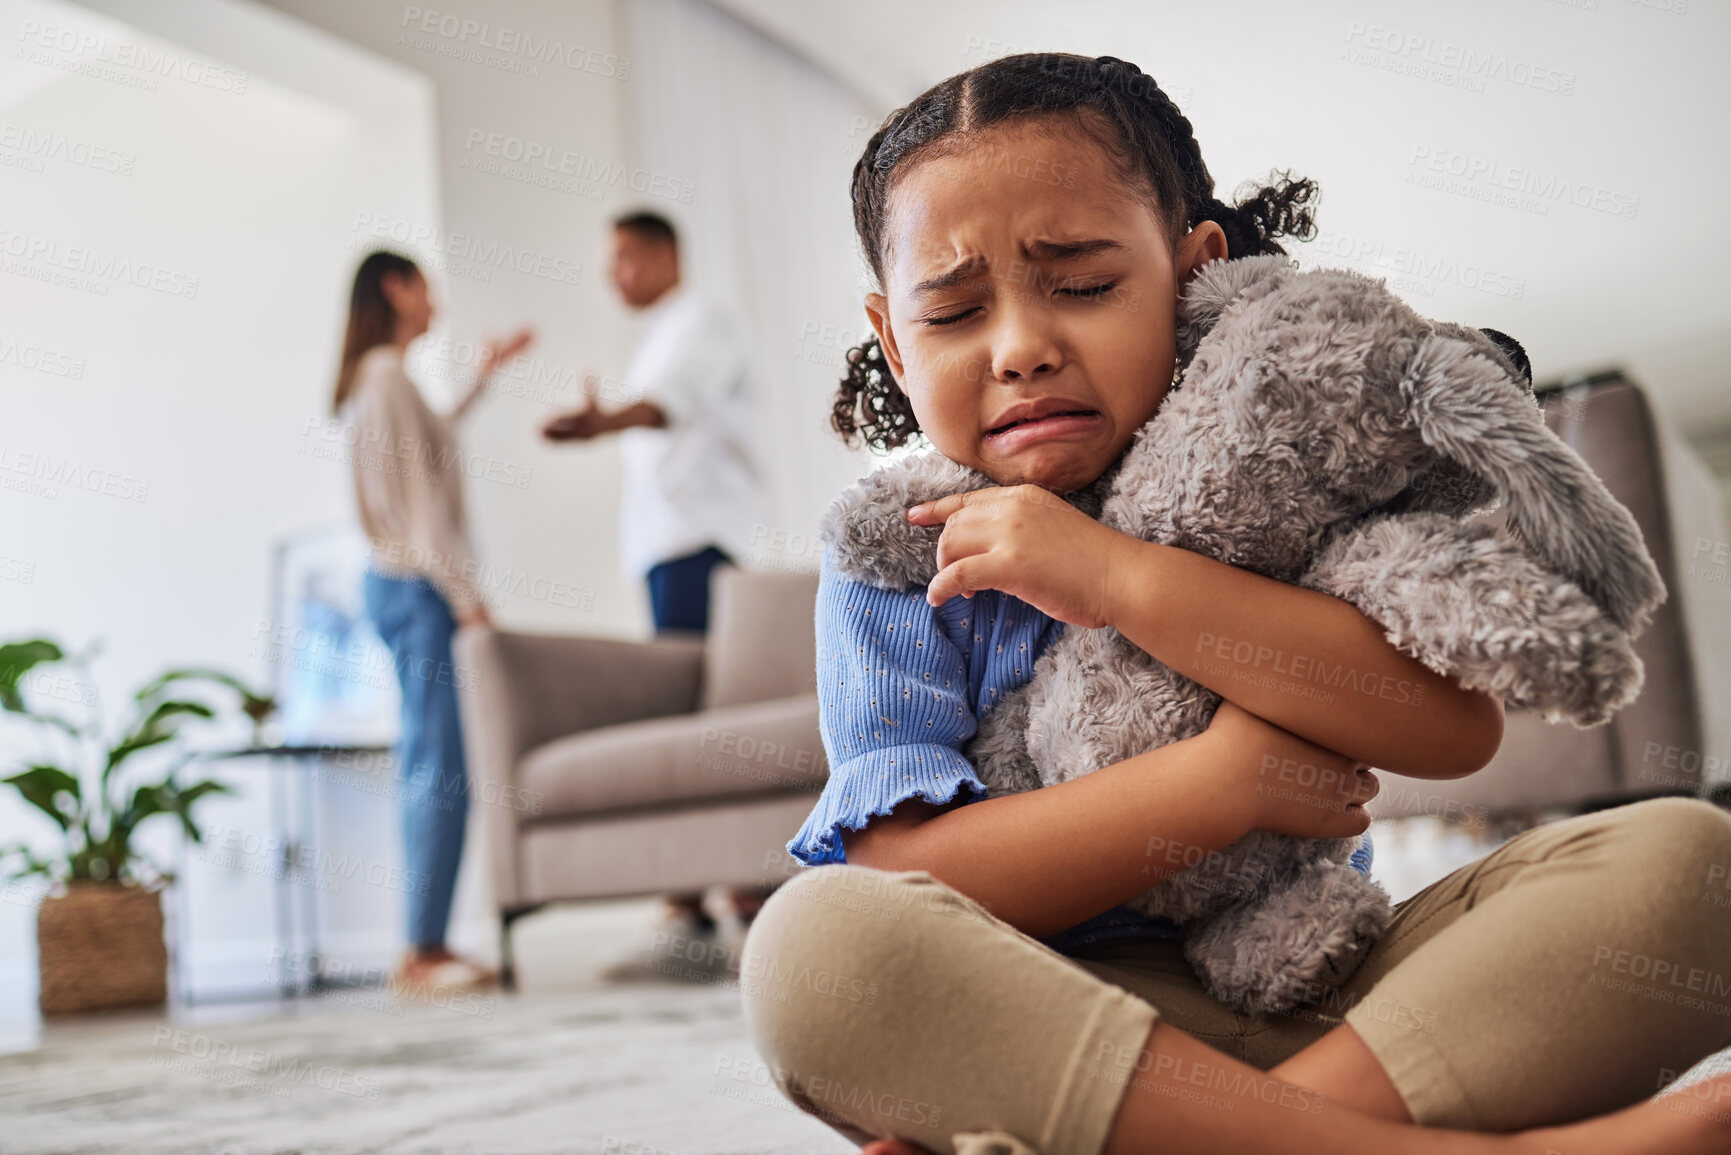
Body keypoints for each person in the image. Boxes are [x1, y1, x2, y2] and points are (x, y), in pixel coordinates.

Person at [737, 54, 1731, 1155]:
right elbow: (897, 874)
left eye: (1082, 284)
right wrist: (1214, 787)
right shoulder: (892, 558)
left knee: (1692, 867)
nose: (1021, 348)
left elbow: (1452, 732)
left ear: (1193, 266)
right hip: (1065, 1017)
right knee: (814, 953)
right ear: (893, 340)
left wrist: (1119, 580)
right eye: (957, 312)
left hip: (1337, 998)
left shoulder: (1282, 473)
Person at [542, 212, 774, 977]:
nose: (613, 276)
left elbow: (666, 403)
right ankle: (697, 889)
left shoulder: (696, 322)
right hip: (668, 547)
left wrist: (606, 420)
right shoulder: (657, 336)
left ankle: (727, 884)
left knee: (704, 709)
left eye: (624, 258)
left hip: (697, 544)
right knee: (689, 705)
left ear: (665, 253)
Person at [333, 250, 533, 995]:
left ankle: (425, 942)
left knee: (438, 761)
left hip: (403, 587)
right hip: (417, 589)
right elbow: (419, 506)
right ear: (396, 288)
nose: (434, 297)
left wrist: (482, 375)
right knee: (438, 766)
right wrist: (465, 596)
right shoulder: (385, 376)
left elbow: (430, 443)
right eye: (425, 283)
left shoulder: (383, 379)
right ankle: (421, 951)